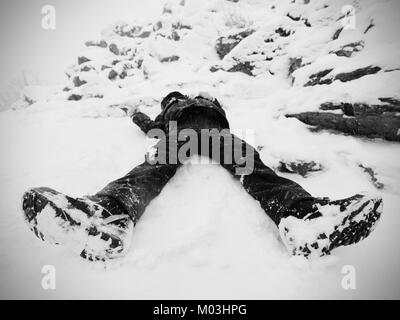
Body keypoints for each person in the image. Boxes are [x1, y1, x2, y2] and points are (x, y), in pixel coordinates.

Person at [22, 91, 383, 261]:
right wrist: (138, 117)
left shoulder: (206, 103)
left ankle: (305, 220)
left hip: (215, 136)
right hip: (179, 135)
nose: (176, 97)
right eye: (171, 98)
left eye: (176, 96)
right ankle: (108, 218)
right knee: (151, 168)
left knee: (252, 165)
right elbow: (149, 125)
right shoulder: (169, 113)